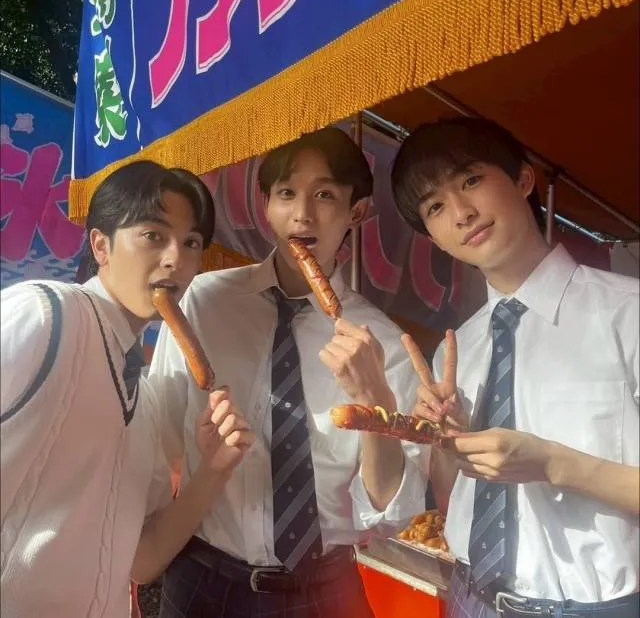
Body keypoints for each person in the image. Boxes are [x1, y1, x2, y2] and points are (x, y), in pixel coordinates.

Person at [146, 127, 427, 618]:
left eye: (325, 195)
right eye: (286, 194)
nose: (303, 214)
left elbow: (388, 509)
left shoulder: (383, 343)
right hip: (201, 574)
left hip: (323, 589)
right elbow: (161, 438)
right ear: (266, 207)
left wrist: (376, 404)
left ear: (356, 211)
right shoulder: (204, 302)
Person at [391, 117, 639, 618]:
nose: (461, 213)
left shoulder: (627, 313)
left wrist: (552, 464)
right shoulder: (457, 350)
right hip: (469, 597)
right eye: (435, 207)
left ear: (523, 180)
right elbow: (452, 497)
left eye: (470, 180)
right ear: (434, 238)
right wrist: (446, 441)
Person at [1, 160, 253, 618]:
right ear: (101, 245)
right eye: (153, 235)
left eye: (191, 243)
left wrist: (214, 469)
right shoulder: (47, 315)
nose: (176, 259)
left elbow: (143, 558)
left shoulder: (145, 397)